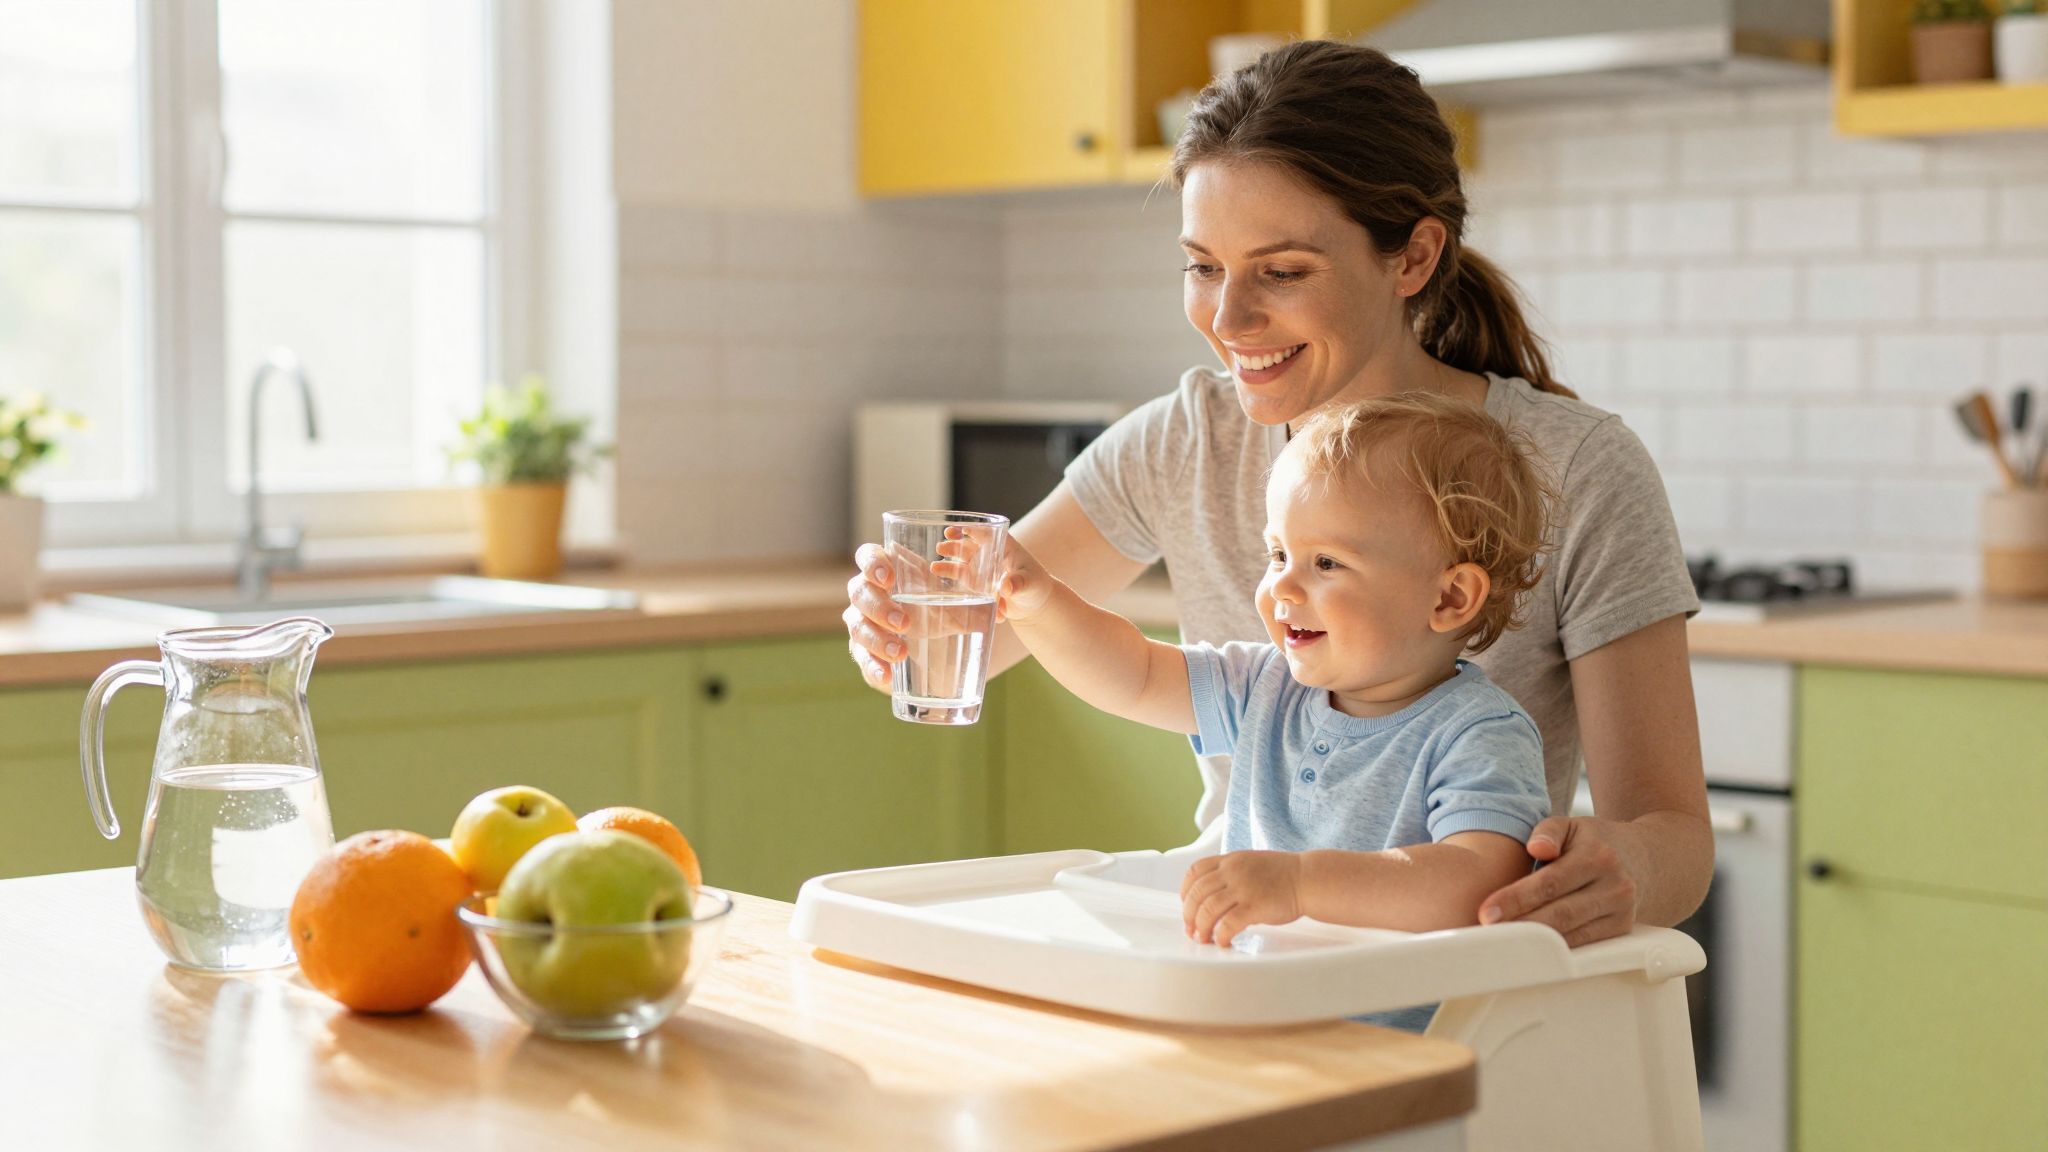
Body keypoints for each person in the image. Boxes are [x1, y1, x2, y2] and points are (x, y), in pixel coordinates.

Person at [845, 40, 1712, 947]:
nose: (1228, 319)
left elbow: (1674, 843)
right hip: (1241, 949)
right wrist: (898, 628)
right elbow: (984, 636)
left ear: (1413, 257)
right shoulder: (1188, 438)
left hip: (1450, 980)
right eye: (1202, 266)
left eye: (1283, 271)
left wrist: (1624, 867)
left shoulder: (1577, 468)